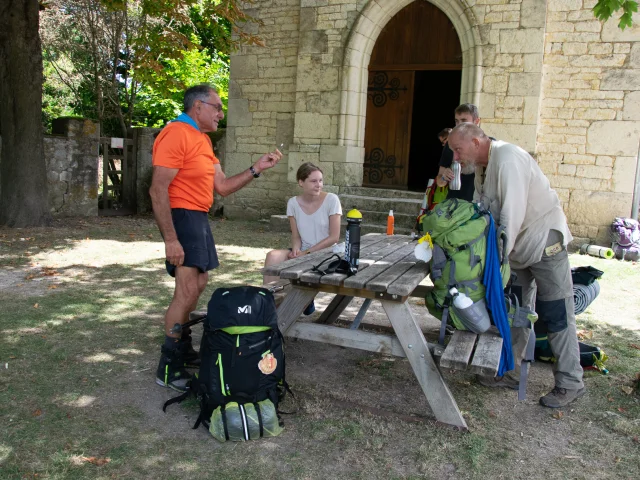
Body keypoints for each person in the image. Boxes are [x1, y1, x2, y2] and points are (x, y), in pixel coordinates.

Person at [150, 83, 282, 392]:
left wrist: (256, 168)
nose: (221, 114)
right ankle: (168, 366)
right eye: (217, 107)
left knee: (198, 284)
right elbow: (157, 189)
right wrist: (171, 239)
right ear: (197, 107)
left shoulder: (203, 141)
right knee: (185, 291)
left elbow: (221, 186)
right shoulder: (176, 133)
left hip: (198, 218)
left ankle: (182, 347)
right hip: (182, 216)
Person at [447, 123, 585, 408]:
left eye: (458, 150)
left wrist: (498, 260)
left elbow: (511, 213)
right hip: (518, 252)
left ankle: (570, 382)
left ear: (475, 141)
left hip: (544, 244)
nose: (456, 158)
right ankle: (511, 372)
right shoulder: (484, 167)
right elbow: (481, 212)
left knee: (557, 312)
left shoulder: (508, 158)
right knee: (517, 311)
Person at [263, 162, 342, 314]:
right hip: (304, 251)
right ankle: (270, 306)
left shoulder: (332, 200)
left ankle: (304, 301)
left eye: (320, 180)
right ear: (301, 182)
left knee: (302, 262)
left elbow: (334, 237)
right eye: (313, 181)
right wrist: (297, 249)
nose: (318, 185)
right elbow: (296, 236)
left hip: (328, 254)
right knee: (272, 256)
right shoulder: (293, 203)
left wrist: (306, 253)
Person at [436, 104, 482, 201]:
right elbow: (439, 182)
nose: (459, 125)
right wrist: (444, 177)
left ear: (476, 121)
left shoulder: (487, 145)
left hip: (478, 207)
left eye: (464, 121)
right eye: (457, 121)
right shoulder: (450, 145)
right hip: (454, 205)